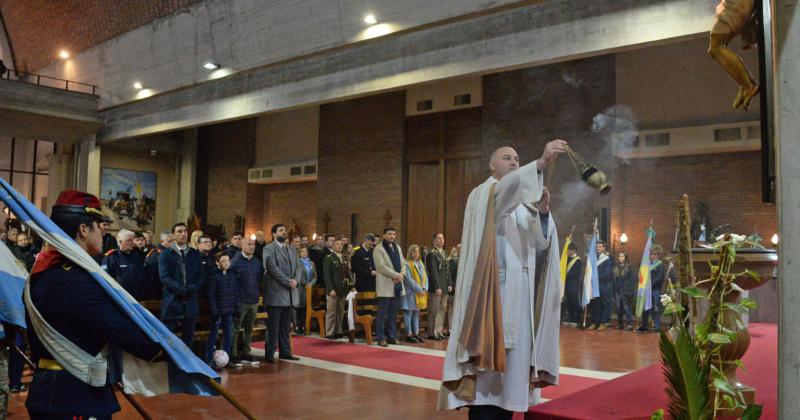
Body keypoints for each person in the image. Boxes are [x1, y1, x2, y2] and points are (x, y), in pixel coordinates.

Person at [438, 142, 565, 418]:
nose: (514, 162)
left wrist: (542, 214)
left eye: (517, 159)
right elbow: (505, 194)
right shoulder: (484, 195)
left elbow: (541, 245)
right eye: (507, 158)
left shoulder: (522, 206)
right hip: (494, 298)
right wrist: (541, 163)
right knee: (488, 385)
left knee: (511, 385)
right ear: (492, 165)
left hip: (521, 303)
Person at [24, 190, 162, 419]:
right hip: (75, 397)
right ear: (83, 229)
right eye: (100, 224)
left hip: (49, 391)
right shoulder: (77, 279)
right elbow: (117, 327)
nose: (104, 230)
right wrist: (163, 349)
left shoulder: (42, 273)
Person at [158, 222, 205, 347]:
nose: (183, 234)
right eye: (179, 231)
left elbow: (201, 275)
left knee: (188, 340)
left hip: (190, 302)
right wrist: (181, 289)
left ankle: (187, 366)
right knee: (169, 341)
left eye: (185, 231)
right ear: (174, 235)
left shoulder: (194, 254)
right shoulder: (166, 254)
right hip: (172, 301)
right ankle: (170, 366)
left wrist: (192, 289)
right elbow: (164, 276)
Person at [263, 224, 302, 362]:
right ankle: (270, 353)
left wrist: (296, 280)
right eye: (280, 230)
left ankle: (285, 351)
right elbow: (271, 268)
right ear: (274, 233)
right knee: (274, 326)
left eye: (284, 231)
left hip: (290, 293)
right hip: (276, 293)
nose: (284, 232)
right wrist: (287, 281)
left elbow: (298, 267)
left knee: (286, 326)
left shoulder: (291, 249)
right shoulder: (269, 248)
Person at [229, 237, 263, 366]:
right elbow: (232, 283)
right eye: (249, 244)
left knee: (249, 328)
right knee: (235, 329)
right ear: (242, 246)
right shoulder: (235, 262)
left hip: (253, 300)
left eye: (253, 245)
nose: (252, 247)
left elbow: (258, 280)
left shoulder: (257, 262)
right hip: (240, 301)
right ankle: (233, 354)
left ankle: (246, 353)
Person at [372, 227, 406, 347]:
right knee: (382, 313)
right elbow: (381, 267)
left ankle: (392, 336)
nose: (392, 236)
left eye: (394, 234)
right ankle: (381, 338)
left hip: (397, 285)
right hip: (385, 285)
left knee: (394, 313)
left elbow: (403, 262)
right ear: (384, 235)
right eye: (389, 234)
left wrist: (402, 273)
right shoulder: (378, 249)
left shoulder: (398, 248)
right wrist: (396, 275)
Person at [206, 253, 238, 367]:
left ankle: (226, 359)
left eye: (228, 260)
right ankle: (209, 359)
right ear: (217, 262)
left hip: (229, 311)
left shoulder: (232, 275)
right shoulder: (213, 275)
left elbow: (235, 293)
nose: (226, 263)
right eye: (223, 261)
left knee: (228, 335)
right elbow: (211, 295)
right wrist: (214, 311)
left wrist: (236, 309)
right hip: (218, 312)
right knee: (213, 335)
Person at [101, 229, 147, 300]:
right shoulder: (111, 257)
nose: (132, 243)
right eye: (129, 240)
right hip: (120, 298)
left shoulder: (137, 256)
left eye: (132, 240)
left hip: (137, 298)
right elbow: (105, 280)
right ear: (120, 242)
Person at [324, 239, 352, 339]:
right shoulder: (329, 258)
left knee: (340, 311)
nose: (339, 246)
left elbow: (348, 273)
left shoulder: (345, 258)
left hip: (343, 289)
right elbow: (327, 275)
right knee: (331, 312)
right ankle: (329, 332)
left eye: (341, 244)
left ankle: (338, 330)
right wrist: (330, 288)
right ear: (333, 246)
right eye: (337, 244)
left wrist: (351, 286)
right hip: (333, 289)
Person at [425, 233, 450, 341]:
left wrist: (449, 284)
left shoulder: (443, 253)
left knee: (442, 310)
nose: (441, 240)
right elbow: (433, 272)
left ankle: (439, 331)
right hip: (436, 287)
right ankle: (432, 332)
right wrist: (437, 286)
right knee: (434, 310)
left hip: (444, 286)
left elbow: (447, 271)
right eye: (439, 238)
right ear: (433, 240)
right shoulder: (432, 254)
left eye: (442, 238)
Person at [402, 244, 428, 343]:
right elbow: (408, 279)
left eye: (418, 252)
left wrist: (425, 288)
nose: (416, 254)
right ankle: (409, 334)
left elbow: (426, 278)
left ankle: (416, 333)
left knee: (416, 314)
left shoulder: (420, 263)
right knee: (408, 312)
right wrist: (419, 289)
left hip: (420, 293)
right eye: (414, 252)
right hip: (410, 292)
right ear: (410, 253)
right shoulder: (407, 264)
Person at [639, 245, 667, 333]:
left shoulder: (660, 265)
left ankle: (657, 327)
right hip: (647, 290)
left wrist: (650, 286)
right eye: (651, 254)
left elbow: (659, 278)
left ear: (658, 255)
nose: (652, 256)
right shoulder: (648, 265)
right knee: (645, 308)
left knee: (655, 309)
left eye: (654, 254)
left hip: (655, 290)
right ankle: (644, 326)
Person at [587, 240, 613, 331]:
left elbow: (607, 274)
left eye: (600, 246)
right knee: (595, 304)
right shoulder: (593, 259)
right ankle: (595, 322)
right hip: (594, 286)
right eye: (597, 246)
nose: (598, 248)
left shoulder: (607, 259)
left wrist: (595, 277)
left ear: (603, 248)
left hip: (603, 286)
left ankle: (603, 323)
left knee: (603, 305)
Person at [144, 230, 173, 299]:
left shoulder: (170, 252)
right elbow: (152, 278)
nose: (173, 243)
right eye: (170, 241)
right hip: (158, 293)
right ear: (162, 241)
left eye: (174, 241)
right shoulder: (155, 255)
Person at [296, 246, 317, 334]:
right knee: (299, 308)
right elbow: (298, 276)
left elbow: (315, 276)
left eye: (305, 251)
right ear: (299, 253)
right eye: (302, 251)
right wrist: (306, 284)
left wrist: (311, 283)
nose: (304, 253)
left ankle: (306, 325)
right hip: (300, 288)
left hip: (309, 288)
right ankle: (299, 326)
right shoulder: (297, 263)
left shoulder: (312, 263)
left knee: (307, 308)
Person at [613, 252, 635, 330]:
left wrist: (631, 292)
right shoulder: (616, 268)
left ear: (625, 257)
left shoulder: (629, 268)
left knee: (627, 308)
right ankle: (620, 324)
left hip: (626, 291)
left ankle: (629, 325)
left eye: (622, 256)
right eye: (619, 256)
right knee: (619, 309)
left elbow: (633, 281)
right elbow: (614, 280)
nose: (620, 257)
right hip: (618, 291)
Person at [563, 242, 584, 327]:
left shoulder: (578, 260)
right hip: (567, 284)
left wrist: (565, 275)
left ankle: (577, 319)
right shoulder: (567, 259)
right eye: (568, 249)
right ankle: (571, 319)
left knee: (575, 302)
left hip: (573, 284)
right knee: (568, 302)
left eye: (569, 250)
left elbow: (576, 273)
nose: (568, 251)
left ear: (574, 250)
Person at [446, 244, 460, 334]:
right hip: (453, 288)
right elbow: (450, 275)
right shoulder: (452, 261)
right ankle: (451, 328)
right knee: (452, 308)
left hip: (459, 288)